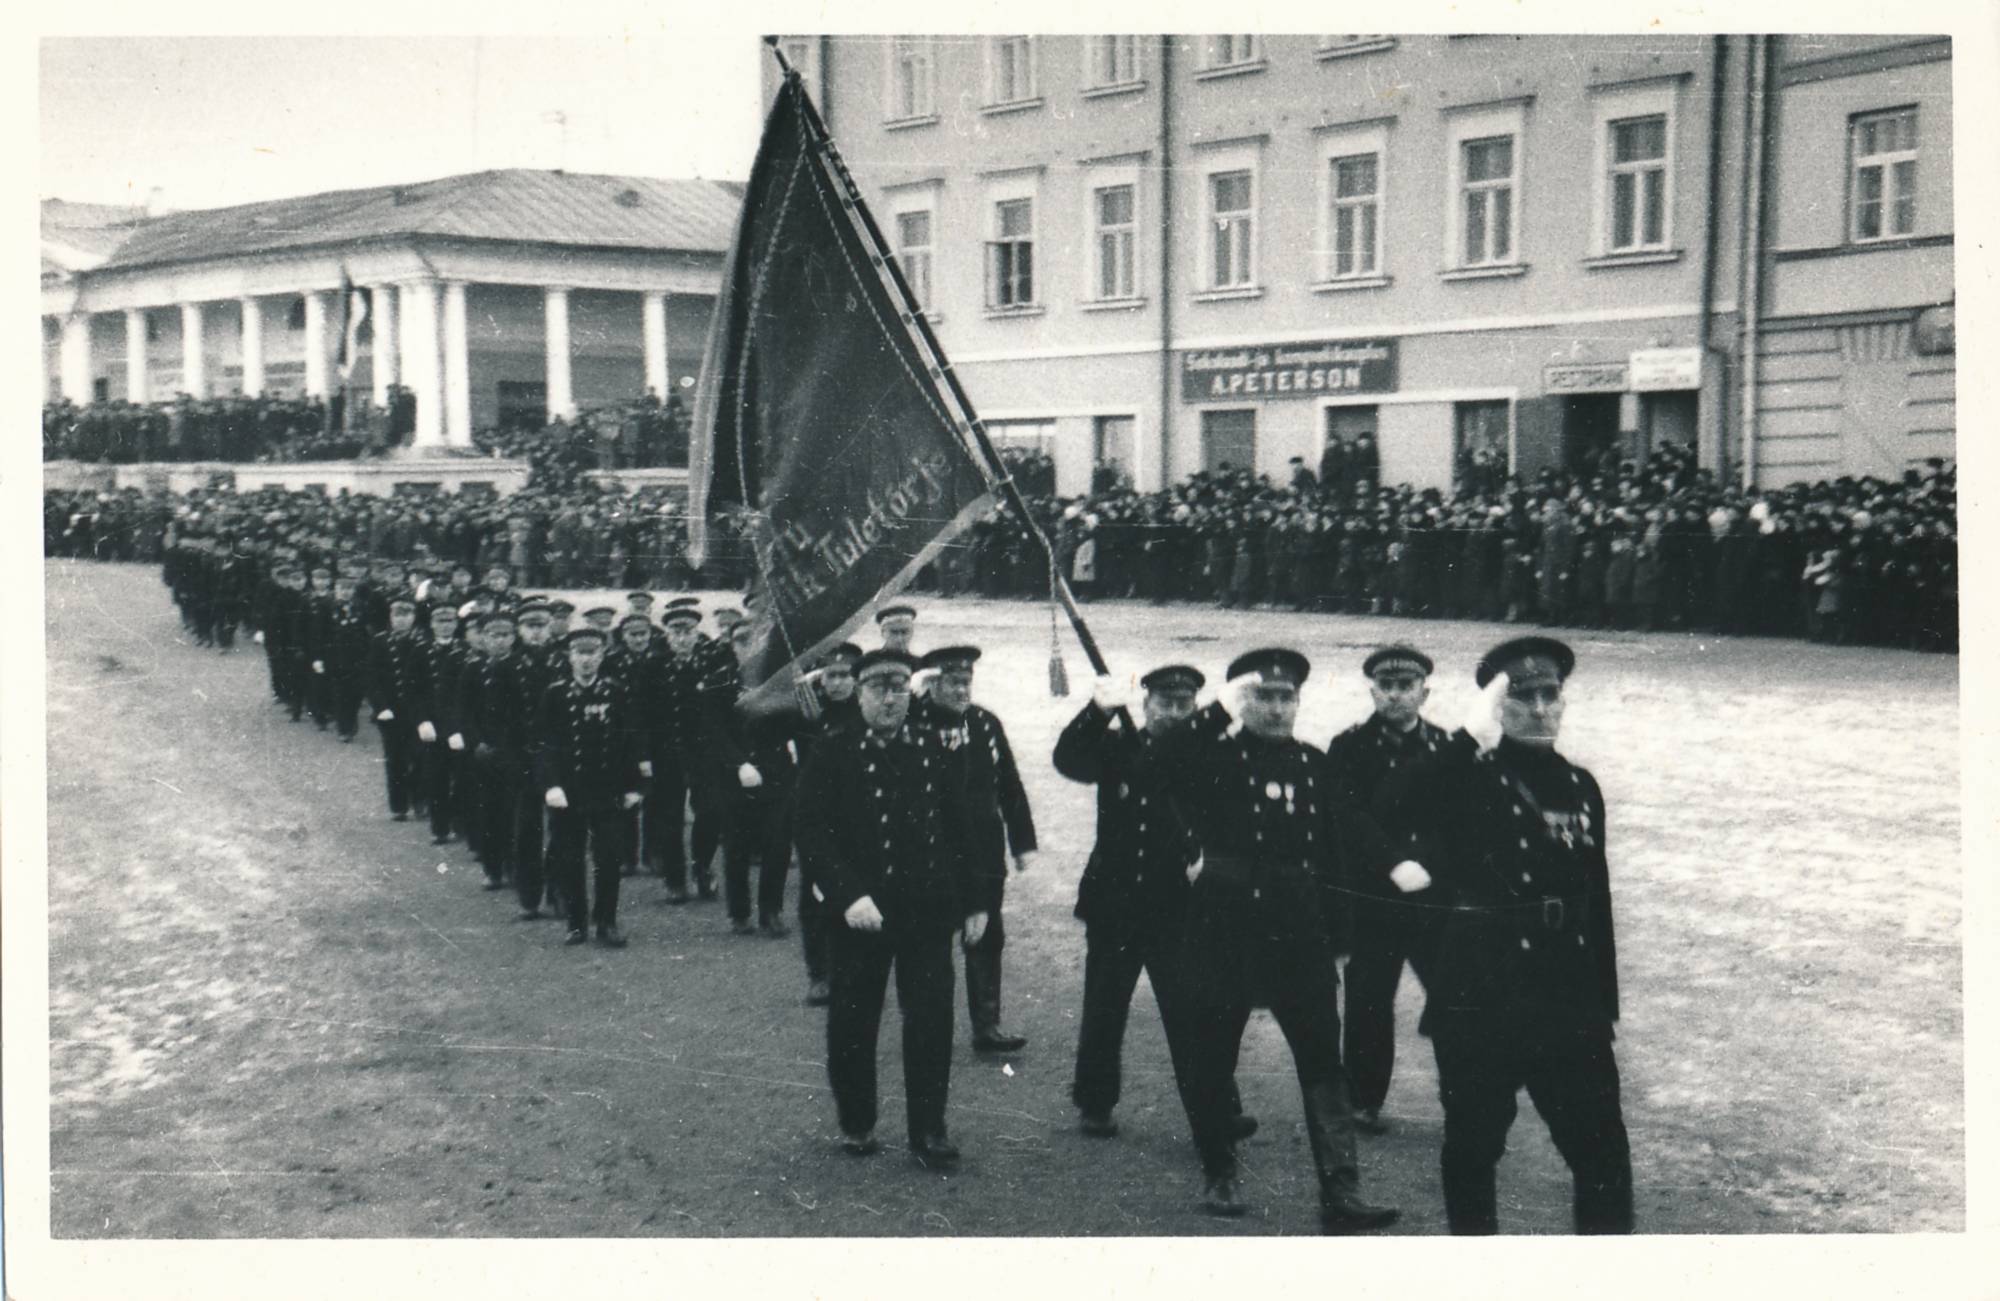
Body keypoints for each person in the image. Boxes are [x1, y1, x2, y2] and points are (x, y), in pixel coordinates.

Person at [1152, 647, 1402, 1233]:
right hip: (1225, 928)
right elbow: (1159, 761)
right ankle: (1220, 1172)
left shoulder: (1314, 764)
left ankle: (1342, 1190)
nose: (1275, 707)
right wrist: (1214, 709)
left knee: (1322, 1064)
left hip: (1299, 935)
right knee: (1214, 1055)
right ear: (1243, 701)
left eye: (1285, 696)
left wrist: (1348, 923)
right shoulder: (1212, 757)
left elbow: (1340, 844)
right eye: (1262, 695)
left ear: (1298, 702)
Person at [1405, 635, 1632, 1235]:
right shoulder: (1468, 779)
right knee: (1475, 1149)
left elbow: (1595, 901)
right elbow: (1396, 803)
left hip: (1566, 996)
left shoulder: (1582, 786)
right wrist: (1465, 737)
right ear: (1497, 706)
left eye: (1548, 693)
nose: (1537, 707)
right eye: (1521, 695)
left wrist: (1602, 1005)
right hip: (1483, 994)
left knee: (1603, 1152)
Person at [792, 648, 985, 1168]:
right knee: (854, 1022)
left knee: (931, 1021)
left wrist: (976, 901)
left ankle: (929, 1129)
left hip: (926, 910)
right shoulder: (833, 751)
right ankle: (857, 1121)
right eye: (878, 689)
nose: (889, 699)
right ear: (859, 694)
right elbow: (811, 833)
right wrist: (847, 895)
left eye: (898, 688)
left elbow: (961, 828)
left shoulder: (932, 747)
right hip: (862, 913)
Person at [1055, 664, 1257, 1142]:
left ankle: (1215, 1112)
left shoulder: (1209, 753)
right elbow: (1068, 760)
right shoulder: (1118, 746)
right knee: (1105, 1007)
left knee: (1192, 1012)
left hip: (1178, 904)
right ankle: (1095, 1102)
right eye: (1164, 704)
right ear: (1144, 706)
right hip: (1115, 900)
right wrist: (1095, 711)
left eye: (1183, 705)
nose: (1172, 712)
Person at [1320, 644, 1450, 1134]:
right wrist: (1393, 862)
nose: (1396, 696)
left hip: (1433, 898)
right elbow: (1347, 817)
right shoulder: (1349, 747)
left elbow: (1454, 822)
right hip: (1374, 896)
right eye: (1387, 687)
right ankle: (1361, 1098)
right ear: (1373, 690)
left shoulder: (1443, 746)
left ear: (1424, 692)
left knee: (1453, 997)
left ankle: (1464, 1096)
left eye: (1406, 687)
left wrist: (1429, 867)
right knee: (1369, 1002)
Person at [912, 645, 1037, 1054]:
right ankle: (930, 1023)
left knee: (987, 933)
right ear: (932, 683)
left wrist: (1022, 842)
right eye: (954, 682)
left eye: (967, 682)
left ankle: (987, 1023)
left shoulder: (985, 723)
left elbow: (1009, 784)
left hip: (984, 847)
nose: (963, 690)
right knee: (932, 936)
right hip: (932, 849)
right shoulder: (913, 722)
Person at [535, 627, 649, 947]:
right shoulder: (555, 694)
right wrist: (551, 786)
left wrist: (635, 786)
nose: (587, 660)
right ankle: (576, 924)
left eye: (593, 653)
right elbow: (544, 745)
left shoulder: (616, 692)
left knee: (609, 858)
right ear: (570, 657)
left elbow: (631, 741)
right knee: (570, 859)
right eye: (580, 653)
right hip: (569, 792)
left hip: (607, 790)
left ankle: (607, 922)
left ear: (602, 656)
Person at [795, 642, 861, 1005]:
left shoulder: (862, 712)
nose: (837, 683)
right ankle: (818, 973)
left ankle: (850, 970)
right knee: (814, 896)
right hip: (817, 818)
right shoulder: (807, 712)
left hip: (856, 816)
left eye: (845, 676)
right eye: (830, 676)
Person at [366, 595, 427, 822]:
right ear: (390, 617)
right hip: (390, 711)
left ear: (414, 617)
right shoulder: (380, 642)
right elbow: (372, 678)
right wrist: (380, 706)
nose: (402, 620)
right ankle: (399, 805)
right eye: (397, 615)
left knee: (420, 756)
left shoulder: (422, 642)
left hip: (416, 711)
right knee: (395, 759)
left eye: (407, 615)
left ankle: (419, 797)